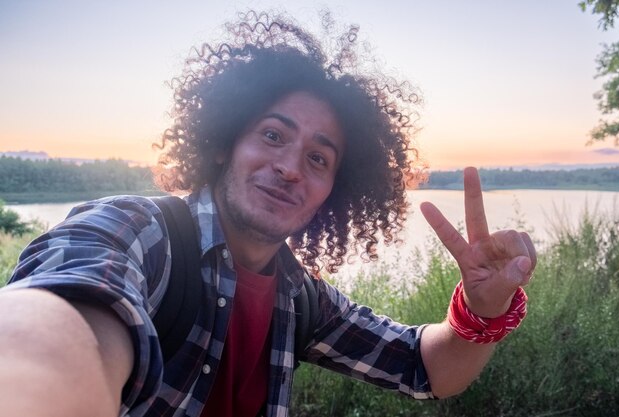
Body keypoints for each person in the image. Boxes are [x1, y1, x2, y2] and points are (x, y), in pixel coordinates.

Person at [0, 11, 536, 417]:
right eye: (273, 135)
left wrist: (484, 310)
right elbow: (60, 321)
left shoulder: (298, 295)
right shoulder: (139, 233)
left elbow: (424, 368)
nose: (289, 168)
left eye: (318, 158)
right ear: (222, 144)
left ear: (334, 189)